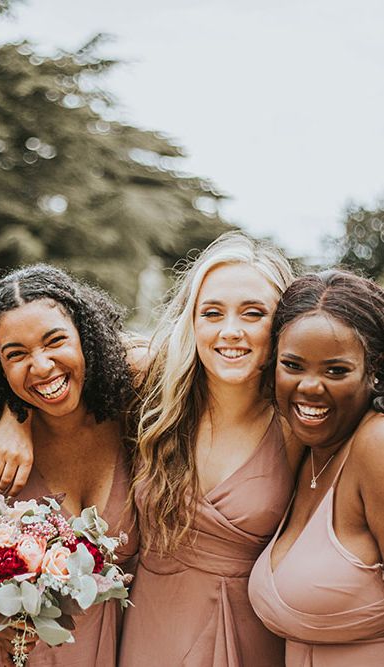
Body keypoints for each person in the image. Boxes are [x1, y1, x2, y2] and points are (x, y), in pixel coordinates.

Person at [119, 232, 301, 666]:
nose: (230, 331)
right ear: (193, 321)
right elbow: (43, 368)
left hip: (251, 639)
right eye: (213, 313)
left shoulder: (300, 424)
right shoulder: (149, 388)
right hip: (151, 631)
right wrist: (16, 420)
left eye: (253, 313)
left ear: (282, 326)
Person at [0, 264, 139, 667]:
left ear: (86, 337)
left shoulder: (132, 408)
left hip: (117, 648)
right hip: (8, 655)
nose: (41, 366)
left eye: (55, 341)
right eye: (15, 354)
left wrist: (18, 412)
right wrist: (15, 410)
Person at [248, 270, 384, 666]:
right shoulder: (304, 452)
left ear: (374, 371)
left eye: (335, 371)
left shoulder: (375, 445)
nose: (310, 386)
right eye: (293, 365)